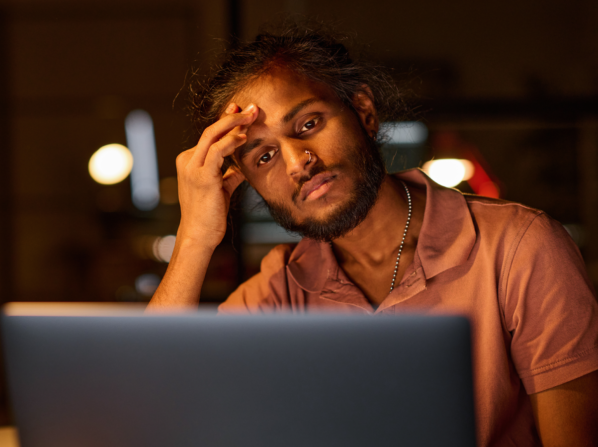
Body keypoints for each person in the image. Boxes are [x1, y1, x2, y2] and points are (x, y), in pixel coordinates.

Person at [147, 22, 598, 446]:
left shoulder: (520, 248)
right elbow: (147, 408)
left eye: (308, 124)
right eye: (263, 157)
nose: (296, 162)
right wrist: (194, 239)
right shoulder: (275, 296)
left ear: (363, 111)